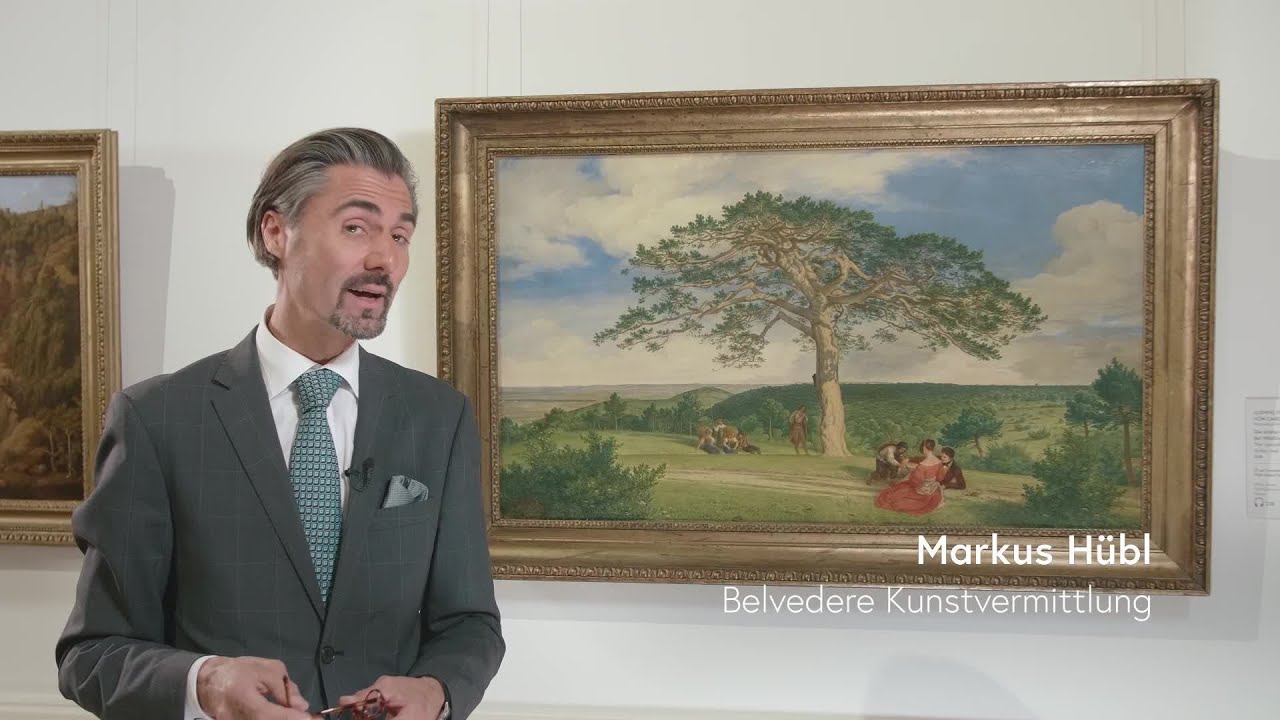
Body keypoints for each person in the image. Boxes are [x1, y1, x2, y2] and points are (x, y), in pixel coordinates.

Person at [54, 128, 504, 720]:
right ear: (276, 232)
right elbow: (91, 654)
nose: (385, 260)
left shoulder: (439, 417)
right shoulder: (157, 419)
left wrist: (437, 691)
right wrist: (205, 682)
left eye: (400, 235)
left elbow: (470, 623)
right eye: (357, 228)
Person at [874, 439, 946, 515]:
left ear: (924, 448)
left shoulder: (922, 465)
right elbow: (940, 478)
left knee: (893, 494)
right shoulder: (939, 462)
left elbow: (915, 482)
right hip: (933, 490)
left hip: (921, 492)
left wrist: (912, 473)